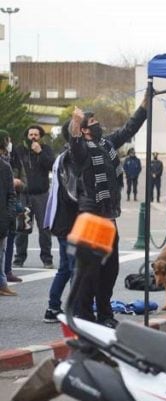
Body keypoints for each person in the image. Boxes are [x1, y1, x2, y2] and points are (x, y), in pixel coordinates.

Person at [67, 93, 148, 328]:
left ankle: (104, 313)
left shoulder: (106, 144)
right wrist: (75, 121)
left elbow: (128, 129)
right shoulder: (81, 151)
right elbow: (73, 142)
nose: (97, 125)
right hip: (92, 214)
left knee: (110, 269)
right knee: (91, 271)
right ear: (84, 130)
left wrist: (143, 107)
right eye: (92, 123)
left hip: (108, 214)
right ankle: (84, 314)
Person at [42, 123, 79, 322]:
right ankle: (75, 311)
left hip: (62, 221)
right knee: (74, 267)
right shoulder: (70, 159)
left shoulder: (63, 156)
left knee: (66, 267)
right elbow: (72, 195)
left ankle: (53, 308)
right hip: (69, 224)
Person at [13, 125, 55, 269]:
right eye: (31, 134)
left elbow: (52, 166)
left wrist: (40, 152)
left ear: (40, 136)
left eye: (36, 135)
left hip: (41, 195)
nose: (33, 137)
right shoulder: (19, 150)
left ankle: (47, 259)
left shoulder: (46, 149)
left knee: (44, 229)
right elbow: (13, 168)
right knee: (22, 228)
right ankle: (19, 258)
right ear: (27, 135)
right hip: (24, 195)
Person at [0, 130, 25, 284]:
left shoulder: (12, 159)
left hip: (10, 206)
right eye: (7, 140)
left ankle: (6, 273)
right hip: (5, 207)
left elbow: (23, 181)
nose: (9, 143)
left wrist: (19, 183)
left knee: (8, 243)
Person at [0, 131, 18, 296]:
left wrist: (9, 215)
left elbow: (10, 194)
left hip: (2, 216)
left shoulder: (4, 166)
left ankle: (2, 283)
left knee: (1, 251)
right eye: (8, 141)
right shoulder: (5, 166)